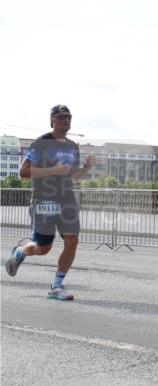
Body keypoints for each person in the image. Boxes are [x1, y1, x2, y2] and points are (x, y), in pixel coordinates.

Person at [5, 105, 96, 300]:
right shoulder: (41, 144)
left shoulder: (72, 146)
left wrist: (87, 168)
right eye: (61, 116)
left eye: (69, 116)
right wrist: (53, 170)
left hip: (67, 199)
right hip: (44, 199)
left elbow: (73, 176)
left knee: (72, 240)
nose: (66, 119)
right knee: (43, 248)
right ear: (52, 120)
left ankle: (56, 286)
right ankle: (21, 252)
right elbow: (23, 173)